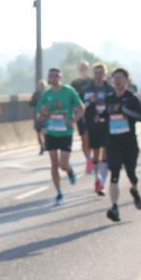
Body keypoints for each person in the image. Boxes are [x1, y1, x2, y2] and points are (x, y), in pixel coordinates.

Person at [101, 68, 141, 222]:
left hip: (129, 144)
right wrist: (98, 116)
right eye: (115, 78)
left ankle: (135, 191)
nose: (117, 81)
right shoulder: (109, 99)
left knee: (131, 174)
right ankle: (114, 208)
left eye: (120, 78)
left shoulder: (132, 99)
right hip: (113, 144)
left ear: (127, 80)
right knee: (114, 174)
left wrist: (125, 111)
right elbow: (106, 115)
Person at [36, 67, 85, 206]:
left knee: (63, 164)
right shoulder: (45, 95)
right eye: (51, 76)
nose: (54, 78)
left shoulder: (69, 91)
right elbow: (38, 117)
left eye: (56, 75)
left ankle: (69, 171)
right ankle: (59, 193)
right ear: (49, 79)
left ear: (61, 77)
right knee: (54, 164)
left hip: (65, 132)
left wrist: (73, 120)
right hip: (51, 132)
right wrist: (43, 113)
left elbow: (82, 108)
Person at [81, 63, 115, 196]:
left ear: (105, 74)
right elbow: (82, 106)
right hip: (93, 124)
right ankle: (97, 179)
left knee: (106, 152)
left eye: (101, 72)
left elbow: (114, 104)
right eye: (96, 72)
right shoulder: (87, 89)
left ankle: (102, 184)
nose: (98, 75)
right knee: (96, 152)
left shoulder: (110, 89)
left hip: (107, 124)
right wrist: (90, 101)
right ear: (93, 74)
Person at [70, 61, 93, 172]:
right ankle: (89, 159)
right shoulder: (75, 83)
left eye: (85, 68)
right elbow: (70, 98)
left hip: (92, 114)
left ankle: (94, 158)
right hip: (80, 113)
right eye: (81, 68)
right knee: (84, 139)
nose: (83, 70)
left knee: (93, 139)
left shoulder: (92, 82)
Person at [30, 79, 47, 154]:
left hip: (46, 115)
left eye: (43, 85)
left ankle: (46, 143)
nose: (41, 87)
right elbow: (31, 103)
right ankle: (41, 146)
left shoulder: (48, 93)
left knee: (44, 131)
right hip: (37, 115)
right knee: (38, 132)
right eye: (40, 85)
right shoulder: (35, 94)